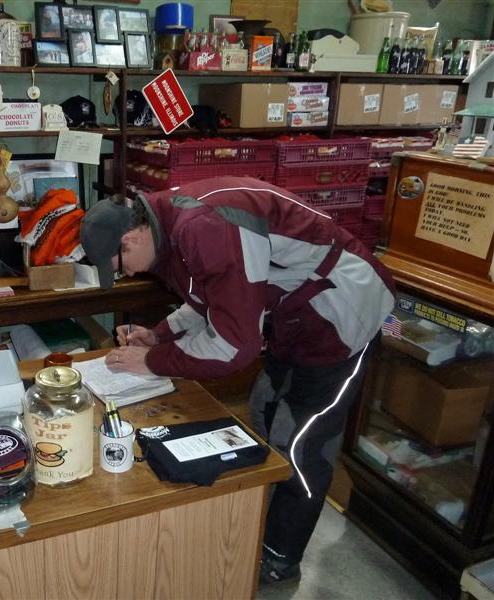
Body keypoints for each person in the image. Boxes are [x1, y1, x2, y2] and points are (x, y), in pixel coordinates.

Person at [79, 175, 396, 586]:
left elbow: (233, 347)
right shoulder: (168, 221)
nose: (121, 276)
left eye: (117, 267)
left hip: (342, 312)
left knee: (301, 442)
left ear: (131, 240)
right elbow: (208, 296)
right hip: (294, 313)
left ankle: (280, 558)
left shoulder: (205, 226)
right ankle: (257, 524)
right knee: (264, 412)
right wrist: (160, 334)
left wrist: (154, 361)